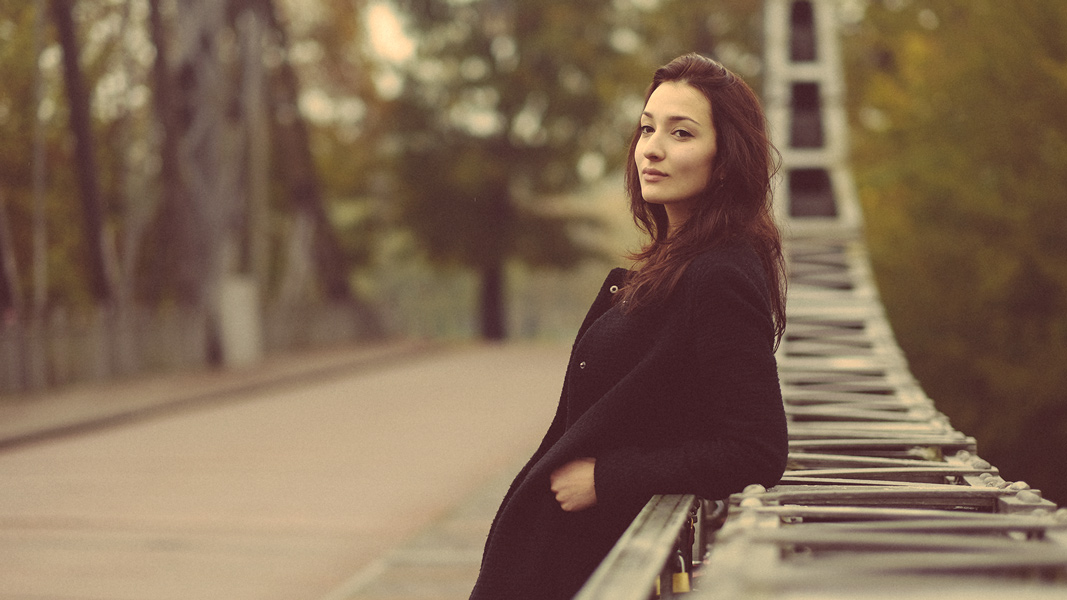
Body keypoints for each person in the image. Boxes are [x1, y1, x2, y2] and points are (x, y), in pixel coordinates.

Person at [469, 52, 789, 600]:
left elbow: (756, 448)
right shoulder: (680, 261)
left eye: (681, 133)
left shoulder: (718, 274)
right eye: (647, 128)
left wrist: (609, 477)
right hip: (579, 555)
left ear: (725, 159)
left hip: (602, 563)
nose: (652, 149)